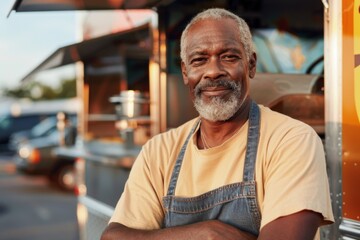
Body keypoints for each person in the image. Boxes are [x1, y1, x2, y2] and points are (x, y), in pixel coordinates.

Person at [101, 8, 334, 240]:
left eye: (229, 57)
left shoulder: (290, 140)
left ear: (251, 64)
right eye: (199, 60)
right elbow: (113, 237)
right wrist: (203, 233)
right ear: (185, 72)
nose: (213, 71)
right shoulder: (159, 151)